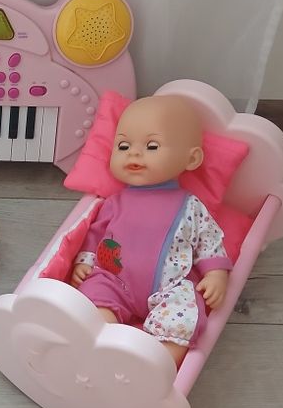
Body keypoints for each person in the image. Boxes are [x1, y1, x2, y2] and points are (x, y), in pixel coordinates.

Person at [71, 95, 231, 366]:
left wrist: (216, 274)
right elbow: (95, 234)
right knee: (91, 300)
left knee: (185, 312)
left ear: (191, 158)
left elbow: (209, 239)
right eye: (123, 146)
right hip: (113, 280)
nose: (133, 154)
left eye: (152, 146)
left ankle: (155, 363)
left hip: (170, 286)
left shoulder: (190, 205)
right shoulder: (115, 202)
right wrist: (84, 262)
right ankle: (93, 348)